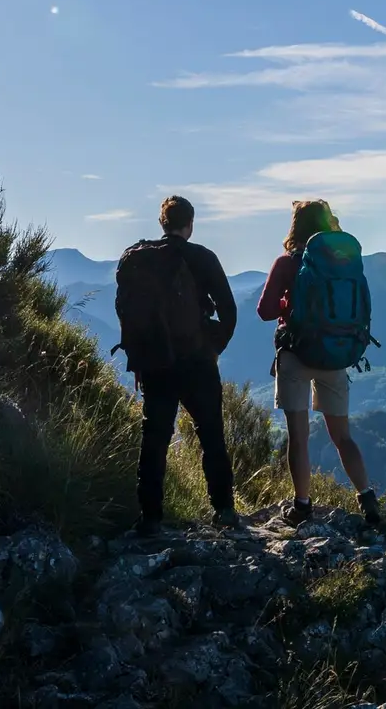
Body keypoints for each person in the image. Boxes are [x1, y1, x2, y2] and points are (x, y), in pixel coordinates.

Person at [114, 195, 240, 536]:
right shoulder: (202, 258)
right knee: (211, 433)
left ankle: (151, 517)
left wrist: (138, 359)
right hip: (197, 361)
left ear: (162, 223)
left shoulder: (137, 259)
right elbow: (229, 311)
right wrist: (213, 347)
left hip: (155, 362)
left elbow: (128, 315)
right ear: (190, 224)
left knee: (154, 437)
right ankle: (224, 511)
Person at [256, 199, 382, 528]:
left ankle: (302, 505)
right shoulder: (342, 264)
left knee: (298, 436)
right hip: (336, 353)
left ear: (296, 226)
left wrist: (289, 302)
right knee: (343, 436)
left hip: (296, 355)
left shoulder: (286, 263)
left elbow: (265, 311)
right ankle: (368, 500)